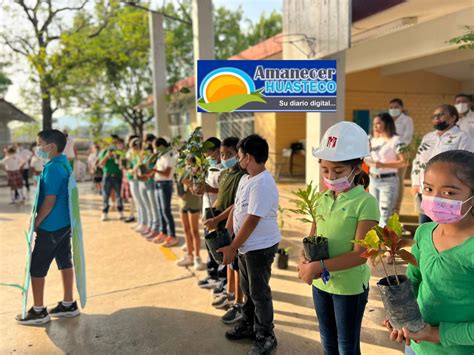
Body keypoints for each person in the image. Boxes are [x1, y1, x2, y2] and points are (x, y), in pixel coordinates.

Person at [298, 122, 380, 355]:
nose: (330, 176)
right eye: (325, 170)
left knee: (347, 346)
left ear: (357, 168)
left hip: (349, 287)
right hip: (320, 282)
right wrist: (303, 259)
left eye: (339, 171)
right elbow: (312, 236)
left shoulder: (365, 202)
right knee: (328, 340)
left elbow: (361, 254)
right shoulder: (322, 198)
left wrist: (318, 265)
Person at [385, 150, 474, 355]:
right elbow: (413, 281)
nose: (435, 199)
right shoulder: (424, 233)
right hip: (415, 347)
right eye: (428, 189)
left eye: (449, 193)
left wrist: (434, 334)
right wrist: (400, 317)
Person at [219, 134, 281, 355]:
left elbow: (252, 220)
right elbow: (237, 207)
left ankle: (266, 335)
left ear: (250, 157)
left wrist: (233, 247)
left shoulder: (263, 184)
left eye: (241, 155)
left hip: (260, 247)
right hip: (247, 246)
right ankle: (249, 324)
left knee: (259, 292)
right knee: (247, 289)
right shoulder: (247, 178)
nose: (238, 159)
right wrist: (227, 231)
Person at [16, 130, 80, 325]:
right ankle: (69, 303)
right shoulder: (63, 163)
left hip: (50, 226)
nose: (38, 148)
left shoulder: (52, 168)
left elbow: (49, 201)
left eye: (40, 144)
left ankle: (38, 311)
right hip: (64, 224)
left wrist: (36, 223)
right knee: (64, 261)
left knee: (37, 266)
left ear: (51, 146)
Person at [202, 137, 245, 324]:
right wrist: (213, 216)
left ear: (238, 154)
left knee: (237, 265)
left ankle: (239, 303)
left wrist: (218, 218)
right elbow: (220, 198)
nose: (224, 157)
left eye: (229, 154)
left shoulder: (241, 176)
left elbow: (236, 205)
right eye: (222, 154)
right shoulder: (226, 173)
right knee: (228, 263)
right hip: (223, 225)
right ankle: (230, 292)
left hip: (234, 225)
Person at [411, 104, 474, 224]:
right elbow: (418, 160)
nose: (437, 118)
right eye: (434, 115)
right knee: (424, 225)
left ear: (453, 118)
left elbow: (466, 165)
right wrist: (415, 183)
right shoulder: (428, 137)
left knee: (443, 226)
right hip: (425, 190)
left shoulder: (463, 137)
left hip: (446, 194)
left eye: (441, 114)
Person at [366, 113, 406, 226]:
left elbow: (404, 162)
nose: (375, 126)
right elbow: (365, 159)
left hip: (388, 181)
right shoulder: (372, 139)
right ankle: (375, 241)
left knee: (385, 214)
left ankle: (384, 242)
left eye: (378, 123)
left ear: (387, 123)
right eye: (374, 124)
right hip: (373, 179)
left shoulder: (396, 140)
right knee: (374, 212)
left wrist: (382, 165)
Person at [175, 155, 204, 269]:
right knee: (186, 230)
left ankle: (197, 257)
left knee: (195, 231)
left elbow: (198, 187)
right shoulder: (183, 170)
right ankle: (189, 255)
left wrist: (190, 183)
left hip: (193, 204)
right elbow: (179, 183)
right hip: (183, 203)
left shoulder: (199, 172)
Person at [388, 98, 414, 214]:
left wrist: (395, 145)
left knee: (398, 181)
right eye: (391, 107)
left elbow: (407, 138)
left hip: (401, 152)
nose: (393, 109)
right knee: (388, 180)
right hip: (387, 153)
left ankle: (396, 210)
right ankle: (386, 207)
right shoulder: (387, 120)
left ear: (402, 108)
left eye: (396, 107)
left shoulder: (407, 120)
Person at [151, 137, 177, 247]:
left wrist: (154, 170)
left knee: (166, 210)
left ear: (161, 146)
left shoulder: (169, 156)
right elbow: (156, 169)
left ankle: (172, 235)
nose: (154, 150)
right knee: (160, 210)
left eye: (155, 147)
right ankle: (163, 232)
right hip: (158, 183)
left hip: (165, 185)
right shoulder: (161, 156)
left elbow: (166, 173)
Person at [98, 135, 125, 221]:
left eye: (115, 142)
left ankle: (120, 212)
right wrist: (106, 156)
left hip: (117, 176)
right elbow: (100, 164)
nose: (114, 144)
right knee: (106, 195)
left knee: (119, 195)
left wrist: (119, 158)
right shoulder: (104, 151)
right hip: (107, 176)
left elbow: (123, 164)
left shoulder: (119, 152)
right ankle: (105, 213)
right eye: (112, 142)